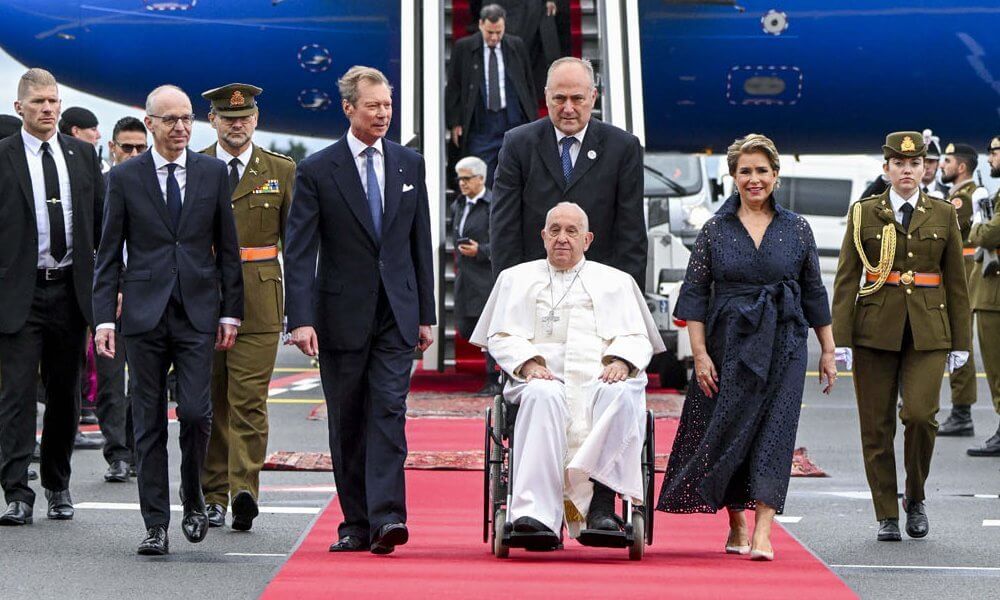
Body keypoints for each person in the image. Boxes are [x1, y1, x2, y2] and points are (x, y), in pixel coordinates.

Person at [657, 134, 835, 561]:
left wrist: (827, 349)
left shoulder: (797, 228)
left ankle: (763, 531)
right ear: (733, 177)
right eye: (745, 172)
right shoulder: (715, 229)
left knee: (775, 433)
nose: (754, 179)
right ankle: (736, 521)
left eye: (761, 171)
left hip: (785, 343)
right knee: (728, 432)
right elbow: (695, 296)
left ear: (775, 175)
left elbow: (813, 292)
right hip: (727, 344)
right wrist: (699, 354)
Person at [284, 66, 435, 555]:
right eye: (373, 106)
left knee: (389, 410)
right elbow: (301, 250)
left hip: (397, 310)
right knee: (348, 417)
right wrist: (300, 318)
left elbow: (420, 244)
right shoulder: (316, 170)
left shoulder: (410, 165)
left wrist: (426, 314)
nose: (382, 114)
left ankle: (389, 517)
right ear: (348, 108)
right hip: (340, 314)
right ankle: (356, 520)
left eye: (387, 105)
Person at [93, 85, 244, 555]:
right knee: (149, 422)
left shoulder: (213, 173)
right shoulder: (125, 177)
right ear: (150, 123)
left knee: (197, 413)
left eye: (186, 118)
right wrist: (104, 320)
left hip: (197, 311)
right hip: (143, 314)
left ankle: (193, 493)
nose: (181, 126)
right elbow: (108, 253)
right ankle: (155, 523)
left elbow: (229, 250)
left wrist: (230, 311)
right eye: (170, 119)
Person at [471, 202, 664, 547]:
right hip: (540, 379)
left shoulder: (616, 282)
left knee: (619, 392)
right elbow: (500, 335)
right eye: (555, 230)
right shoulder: (515, 279)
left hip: (597, 379)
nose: (562, 238)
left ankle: (601, 507)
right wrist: (529, 364)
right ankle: (535, 515)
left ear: (587, 239)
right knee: (542, 394)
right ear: (543, 236)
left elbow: (636, 337)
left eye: (572, 231)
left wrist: (620, 361)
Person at [832, 131, 971, 542]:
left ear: (924, 169)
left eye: (914, 164)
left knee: (920, 417)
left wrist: (961, 342)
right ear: (887, 168)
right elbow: (846, 279)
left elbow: (957, 285)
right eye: (899, 164)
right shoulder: (864, 213)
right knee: (875, 427)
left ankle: (916, 495)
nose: (907, 170)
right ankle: (887, 513)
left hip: (929, 330)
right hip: (874, 329)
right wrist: (841, 337)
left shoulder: (943, 214)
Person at [0, 69, 105, 526]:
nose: (48, 108)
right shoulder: (2, 157)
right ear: (20, 107)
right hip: (19, 294)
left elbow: (103, 224)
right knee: (18, 396)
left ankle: (57, 484)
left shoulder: (83, 156)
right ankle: (17, 491)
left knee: (66, 396)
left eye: (53, 101)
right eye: (39, 102)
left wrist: (109, 289)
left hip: (70, 291)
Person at [199, 83, 295, 531]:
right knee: (208, 402)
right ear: (213, 121)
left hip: (258, 300)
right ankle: (212, 494)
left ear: (256, 120)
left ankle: (242, 491)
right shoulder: (195, 167)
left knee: (249, 401)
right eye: (228, 119)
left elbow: (296, 245)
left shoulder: (280, 170)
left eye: (245, 118)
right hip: (202, 299)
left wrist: (301, 312)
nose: (237, 125)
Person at [491, 57, 646, 288]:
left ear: (593, 97)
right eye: (559, 99)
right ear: (546, 96)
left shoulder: (623, 148)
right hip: (533, 287)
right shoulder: (518, 144)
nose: (568, 108)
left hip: (599, 289)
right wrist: (509, 291)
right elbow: (504, 230)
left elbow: (631, 234)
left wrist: (626, 301)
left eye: (577, 99)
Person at [94, 116, 149, 483]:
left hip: (146, 290)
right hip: (111, 288)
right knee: (112, 379)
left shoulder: (155, 185)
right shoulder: (99, 187)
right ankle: (117, 454)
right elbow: (94, 246)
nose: (132, 154)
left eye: (139, 148)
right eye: (126, 147)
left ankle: (134, 447)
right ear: (113, 147)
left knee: (144, 380)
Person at [446, 4, 536, 187]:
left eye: (499, 32)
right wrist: (455, 122)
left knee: (514, 175)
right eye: (490, 33)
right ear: (480, 25)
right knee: (480, 179)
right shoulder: (465, 48)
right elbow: (454, 86)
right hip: (481, 125)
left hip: (512, 121)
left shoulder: (516, 45)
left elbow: (528, 85)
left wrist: (532, 118)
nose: (494, 37)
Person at [935, 142, 988, 437]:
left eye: (948, 161)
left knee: (960, 342)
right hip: (960, 275)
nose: (943, 165)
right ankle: (960, 411)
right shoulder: (956, 195)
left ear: (962, 167)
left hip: (964, 277)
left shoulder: (962, 199)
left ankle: (962, 412)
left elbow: (947, 233)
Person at [451, 156, 500, 395]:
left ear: (481, 178)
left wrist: (480, 250)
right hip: (465, 276)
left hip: (486, 277)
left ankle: (494, 377)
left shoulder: (493, 205)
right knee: (465, 325)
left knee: (489, 329)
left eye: (467, 178)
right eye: (459, 178)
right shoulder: (458, 205)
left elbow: (503, 242)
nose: (462, 183)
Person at [965, 135, 1000, 457]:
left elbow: (988, 233)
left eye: (994, 152)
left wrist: (978, 224)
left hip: (995, 298)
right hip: (991, 293)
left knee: (997, 367)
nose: (990, 158)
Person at [59, 106, 109, 174]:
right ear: (76, 131)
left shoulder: (101, 165)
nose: (99, 136)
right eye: (93, 129)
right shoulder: (58, 162)